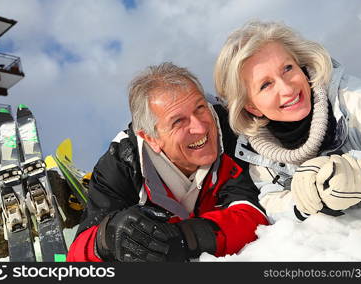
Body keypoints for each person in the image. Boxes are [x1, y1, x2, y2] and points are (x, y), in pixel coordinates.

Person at [67, 62, 268, 262]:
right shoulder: (122, 163)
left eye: (200, 108)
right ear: (151, 138)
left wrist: (185, 238)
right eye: (178, 121)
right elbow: (77, 256)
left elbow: (253, 218)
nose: (200, 127)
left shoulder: (233, 130)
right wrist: (108, 238)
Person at [214, 20, 361, 224]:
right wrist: (301, 202)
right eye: (266, 84)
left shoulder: (355, 100)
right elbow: (270, 199)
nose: (287, 89)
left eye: (287, 68)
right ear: (252, 107)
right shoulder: (256, 149)